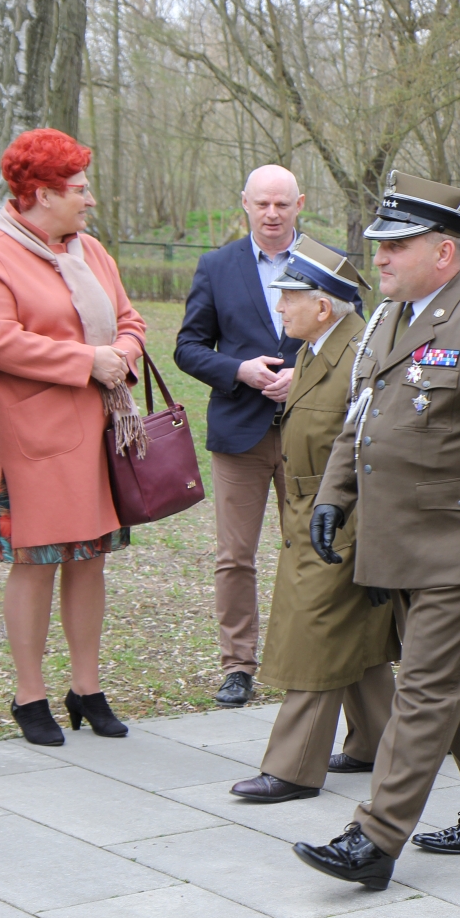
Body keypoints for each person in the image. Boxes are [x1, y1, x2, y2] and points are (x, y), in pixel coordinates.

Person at [292, 173, 460, 890]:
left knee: (427, 689)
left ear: (443, 252)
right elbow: (363, 419)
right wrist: (335, 497)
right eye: (380, 244)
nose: (379, 257)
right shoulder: (390, 318)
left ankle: (374, 839)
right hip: (400, 541)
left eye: (396, 246)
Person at [0, 128, 146, 746]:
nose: (89, 199)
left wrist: (122, 351)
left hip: (98, 433)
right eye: (79, 189)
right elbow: (0, 342)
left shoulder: (92, 252)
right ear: (43, 194)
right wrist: (88, 360)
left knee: (90, 560)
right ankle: (29, 695)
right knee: (36, 564)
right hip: (32, 441)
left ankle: (86, 689)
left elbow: (130, 319)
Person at [229, 238, 399, 803]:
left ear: (323, 306)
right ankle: (378, 740)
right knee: (356, 637)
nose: (279, 307)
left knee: (315, 636)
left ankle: (293, 768)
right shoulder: (316, 348)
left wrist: (370, 534)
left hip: (345, 520)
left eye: (289, 298)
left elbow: (374, 452)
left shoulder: (360, 357)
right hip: (312, 514)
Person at [175, 165, 306, 707]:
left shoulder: (324, 263)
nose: (272, 214)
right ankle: (237, 665)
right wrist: (237, 370)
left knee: (310, 550)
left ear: (300, 204)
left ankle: (305, 658)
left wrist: (306, 376)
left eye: (282, 204)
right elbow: (187, 347)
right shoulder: (217, 266)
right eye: (262, 204)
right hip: (239, 434)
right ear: (245, 203)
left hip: (307, 432)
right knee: (235, 556)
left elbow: (357, 342)